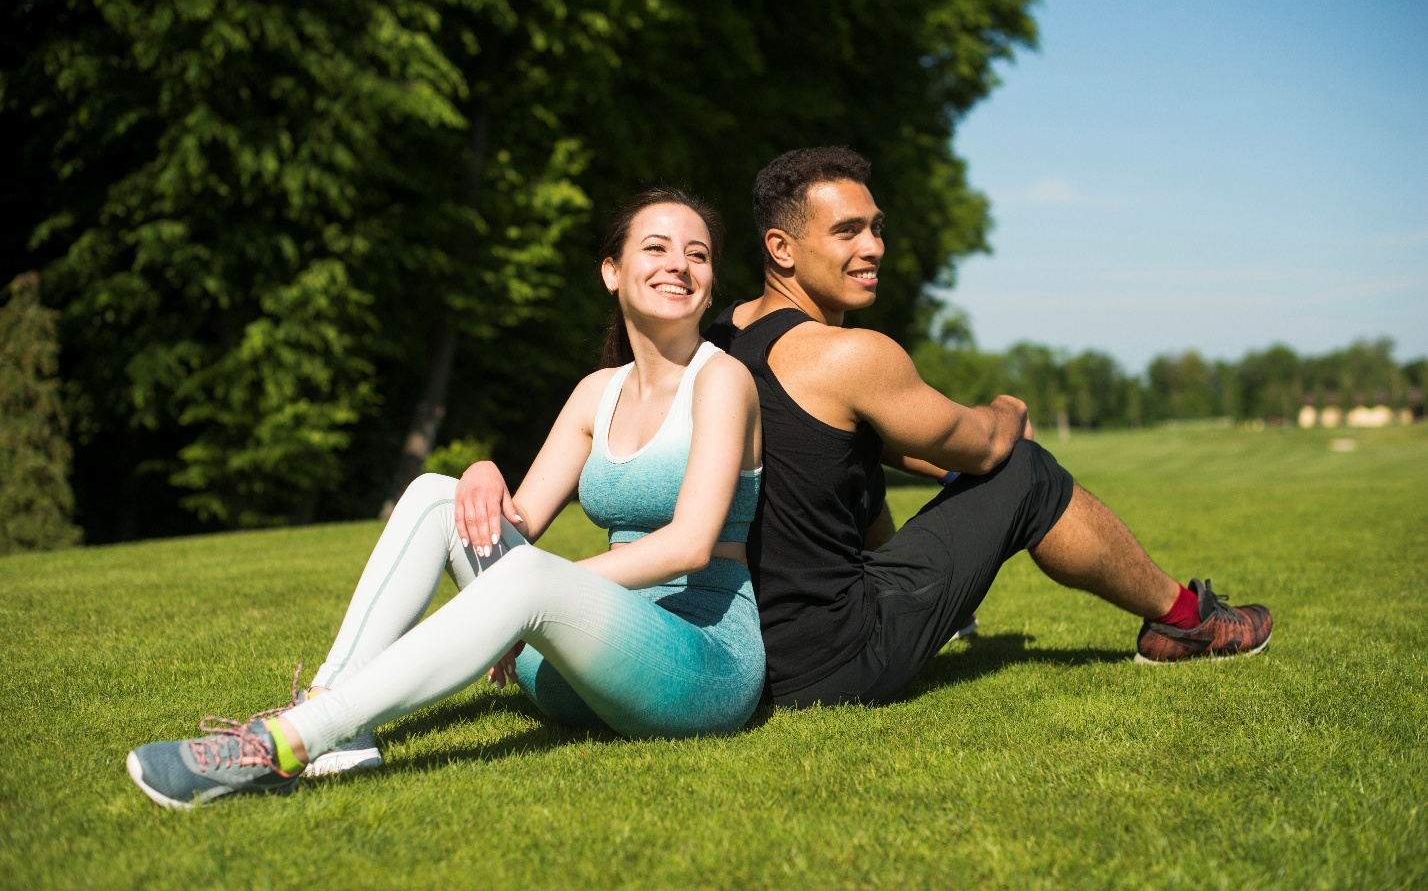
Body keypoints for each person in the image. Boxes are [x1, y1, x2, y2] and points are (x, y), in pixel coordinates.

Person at [127, 188, 765, 808]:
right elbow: (517, 521)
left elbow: (690, 542)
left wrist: (541, 586)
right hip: (585, 667)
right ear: (611, 271)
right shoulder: (598, 390)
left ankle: (276, 748)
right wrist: (482, 474)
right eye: (656, 248)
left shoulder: (722, 379)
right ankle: (337, 718)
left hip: (695, 666)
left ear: (710, 280)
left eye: (698, 254)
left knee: (528, 576)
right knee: (439, 495)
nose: (679, 264)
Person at [704, 147, 1272, 709]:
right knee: (1027, 469)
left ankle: (952, 610)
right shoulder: (847, 355)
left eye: (876, 228)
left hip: (745, 654)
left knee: (865, 449)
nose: (873, 247)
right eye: (847, 231)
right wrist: (1009, 408)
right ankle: (1183, 622)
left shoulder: (723, 336)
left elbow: (844, 450)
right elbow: (986, 446)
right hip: (839, 658)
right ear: (781, 248)